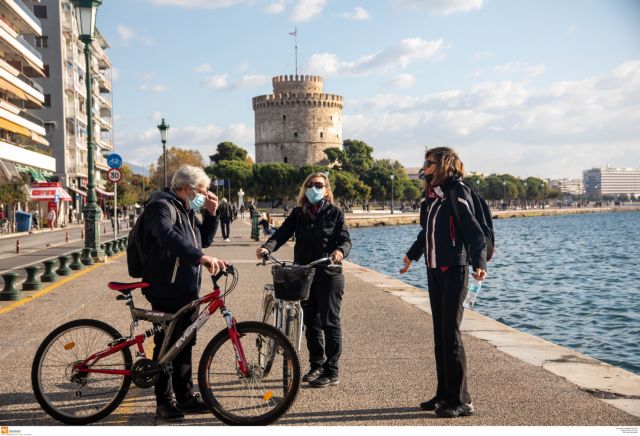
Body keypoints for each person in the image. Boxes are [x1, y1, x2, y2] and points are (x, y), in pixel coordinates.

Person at [400, 147, 488, 418]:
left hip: (455, 269)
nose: (424, 167)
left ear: (443, 165)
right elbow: (425, 232)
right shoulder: (431, 198)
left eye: (429, 163)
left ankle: (462, 400)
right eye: (424, 162)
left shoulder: (457, 192)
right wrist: (411, 256)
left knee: (451, 335)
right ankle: (444, 394)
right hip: (434, 269)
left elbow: (474, 232)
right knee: (440, 335)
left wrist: (479, 263)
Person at [140, 165, 227, 422]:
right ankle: (164, 402)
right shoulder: (161, 206)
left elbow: (202, 241)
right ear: (187, 188)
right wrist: (199, 257)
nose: (206, 195)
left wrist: (211, 215)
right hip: (166, 286)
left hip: (187, 287)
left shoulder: (187, 210)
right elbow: (167, 237)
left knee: (185, 341)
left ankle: (185, 396)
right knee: (167, 344)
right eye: (203, 191)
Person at [256, 172, 351, 388]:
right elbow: (281, 234)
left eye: (319, 185)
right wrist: (266, 248)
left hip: (329, 273)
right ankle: (316, 364)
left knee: (330, 322)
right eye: (310, 185)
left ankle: (332, 370)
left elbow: (345, 240)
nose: (314, 188)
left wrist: (339, 252)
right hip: (304, 274)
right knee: (311, 322)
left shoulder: (335, 213)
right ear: (304, 188)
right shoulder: (299, 214)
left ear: (327, 190)